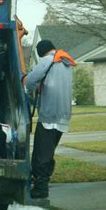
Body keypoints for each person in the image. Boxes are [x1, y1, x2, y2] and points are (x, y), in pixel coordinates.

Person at [24, 39, 76, 199]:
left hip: (49, 115)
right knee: (48, 152)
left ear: (42, 52)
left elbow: (30, 81)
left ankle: (40, 188)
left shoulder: (47, 60)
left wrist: (30, 87)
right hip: (63, 116)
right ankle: (42, 184)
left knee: (41, 153)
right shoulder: (66, 63)